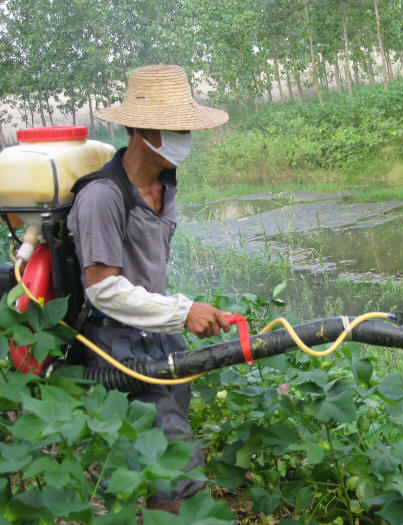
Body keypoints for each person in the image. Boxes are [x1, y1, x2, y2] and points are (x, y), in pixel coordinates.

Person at [67, 64, 232, 514]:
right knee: (180, 465)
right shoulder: (102, 196)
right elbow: (102, 289)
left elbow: (146, 272)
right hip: (115, 345)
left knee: (163, 461)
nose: (185, 138)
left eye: (186, 128)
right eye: (175, 128)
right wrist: (183, 311)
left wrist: (179, 318)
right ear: (141, 130)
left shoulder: (164, 184)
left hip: (159, 336)